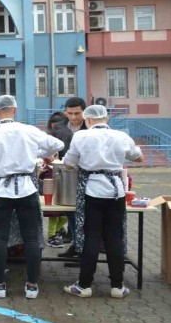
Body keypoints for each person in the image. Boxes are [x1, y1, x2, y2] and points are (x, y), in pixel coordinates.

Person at [0, 95, 64, 299]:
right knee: (32, 237)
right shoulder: (29, 130)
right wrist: (37, 150)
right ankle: (32, 285)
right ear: (15, 110)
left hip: (1, 189)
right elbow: (58, 145)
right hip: (27, 188)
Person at [62, 105, 143, 299]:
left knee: (92, 237)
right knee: (114, 238)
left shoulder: (81, 136)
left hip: (92, 190)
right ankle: (117, 286)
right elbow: (139, 157)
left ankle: (84, 285)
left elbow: (68, 163)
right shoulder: (121, 136)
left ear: (87, 120)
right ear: (106, 119)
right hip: (116, 191)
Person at [60, 98, 88, 258]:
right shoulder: (62, 128)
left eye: (77, 113)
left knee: (83, 213)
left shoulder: (90, 127)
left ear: (84, 112)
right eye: (70, 113)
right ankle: (76, 244)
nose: (74, 117)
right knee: (69, 210)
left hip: (86, 175)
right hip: (66, 173)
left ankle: (82, 248)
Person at [45, 113, 73, 248]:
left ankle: (53, 234)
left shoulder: (50, 134)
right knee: (66, 210)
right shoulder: (69, 132)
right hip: (69, 173)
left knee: (53, 210)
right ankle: (56, 231)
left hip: (53, 172)